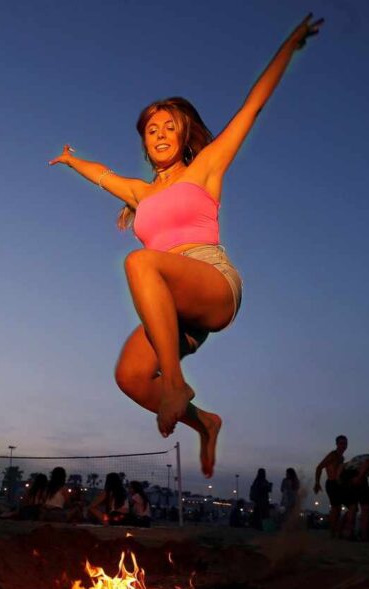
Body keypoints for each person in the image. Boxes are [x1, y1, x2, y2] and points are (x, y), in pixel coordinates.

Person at [50, 15, 323, 477]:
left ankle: (176, 385)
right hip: (171, 306)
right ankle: (206, 422)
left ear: (183, 135)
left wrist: (289, 46)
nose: (159, 133)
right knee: (131, 377)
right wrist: (71, 159)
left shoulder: (206, 169)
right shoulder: (140, 192)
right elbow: (102, 175)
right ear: (145, 141)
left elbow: (251, 107)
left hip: (210, 281)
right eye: (151, 129)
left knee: (140, 263)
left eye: (168, 126)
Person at [339, 447, 369, 541]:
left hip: (346, 476)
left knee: (352, 507)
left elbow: (342, 465)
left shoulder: (360, 456)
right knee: (365, 507)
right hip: (358, 475)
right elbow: (367, 463)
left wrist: (339, 479)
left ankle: (349, 533)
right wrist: (359, 477)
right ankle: (364, 535)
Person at [314, 435, 348, 537]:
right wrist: (317, 482)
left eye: (345, 443)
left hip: (338, 484)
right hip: (332, 483)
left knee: (338, 509)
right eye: (341, 443)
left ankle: (336, 531)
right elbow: (319, 467)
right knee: (335, 509)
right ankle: (333, 533)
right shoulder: (333, 455)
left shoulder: (341, 457)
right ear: (337, 444)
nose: (343, 445)